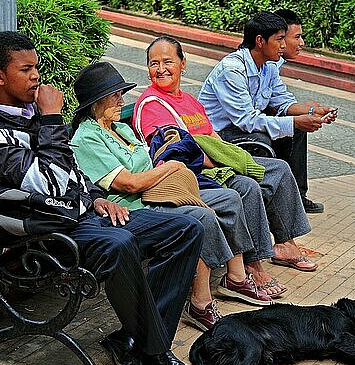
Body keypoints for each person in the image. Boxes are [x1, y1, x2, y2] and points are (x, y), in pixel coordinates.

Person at [0, 31, 207, 365]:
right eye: (26, 69)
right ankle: (157, 354)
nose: (36, 76)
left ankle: (130, 339)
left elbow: (72, 171)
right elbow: (47, 186)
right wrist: (51, 119)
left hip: (83, 214)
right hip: (45, 233)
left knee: (186, 228)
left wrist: (97, 196)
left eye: (37, 67)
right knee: (120, 242)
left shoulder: (31, 115)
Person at [71, 62, 274, 335]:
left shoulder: (120, 128)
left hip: (160, 191)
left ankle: (235, 276)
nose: (122, 99)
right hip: (135, 205)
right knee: (200, 216)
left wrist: (169, 168)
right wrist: (171, 168)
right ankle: (200, 303)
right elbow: (129, 183)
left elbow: (149, 164)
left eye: (122, 93)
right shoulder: (87, 138)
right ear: (96, 102)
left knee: (228, 198)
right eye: (115, 95)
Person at [133, 36, 317, 290]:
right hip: (192, 174)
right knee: (247, 187)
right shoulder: (152, 104)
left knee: (279, 169)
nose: (161, 69)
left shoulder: (188, 100)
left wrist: (233, 157)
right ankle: (253, 265)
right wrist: (226, 163)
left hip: (217, 162)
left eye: (168, 62)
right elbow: (173, 152)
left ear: (183, 64)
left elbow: (211, 136)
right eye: (154, 63)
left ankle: (285, 243)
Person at [198, 11, 337, 214]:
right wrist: (296, 121)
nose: (283, 46)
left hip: (242, 128)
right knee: (262, 137)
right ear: (260, 41)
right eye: (279, 39)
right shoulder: (232, 70)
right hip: (218, 135)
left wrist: (313, 112)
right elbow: (246, 120)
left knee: (294, 129)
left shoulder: (268, 66)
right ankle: (263, 203)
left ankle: (295, 196)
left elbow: (282, 101)